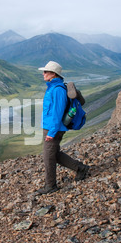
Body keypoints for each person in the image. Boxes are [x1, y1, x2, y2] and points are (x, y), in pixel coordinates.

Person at [36, 61, 90, 195]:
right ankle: (80, 168)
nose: (43, 74)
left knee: (48, 157)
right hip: (49, 127)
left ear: (53, 74)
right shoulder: (52, 87)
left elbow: (57, 113)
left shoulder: (58, 90)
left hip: (53, 129)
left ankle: (50, 186)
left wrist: (52, 132)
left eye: (46, 72)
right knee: (54, 154)